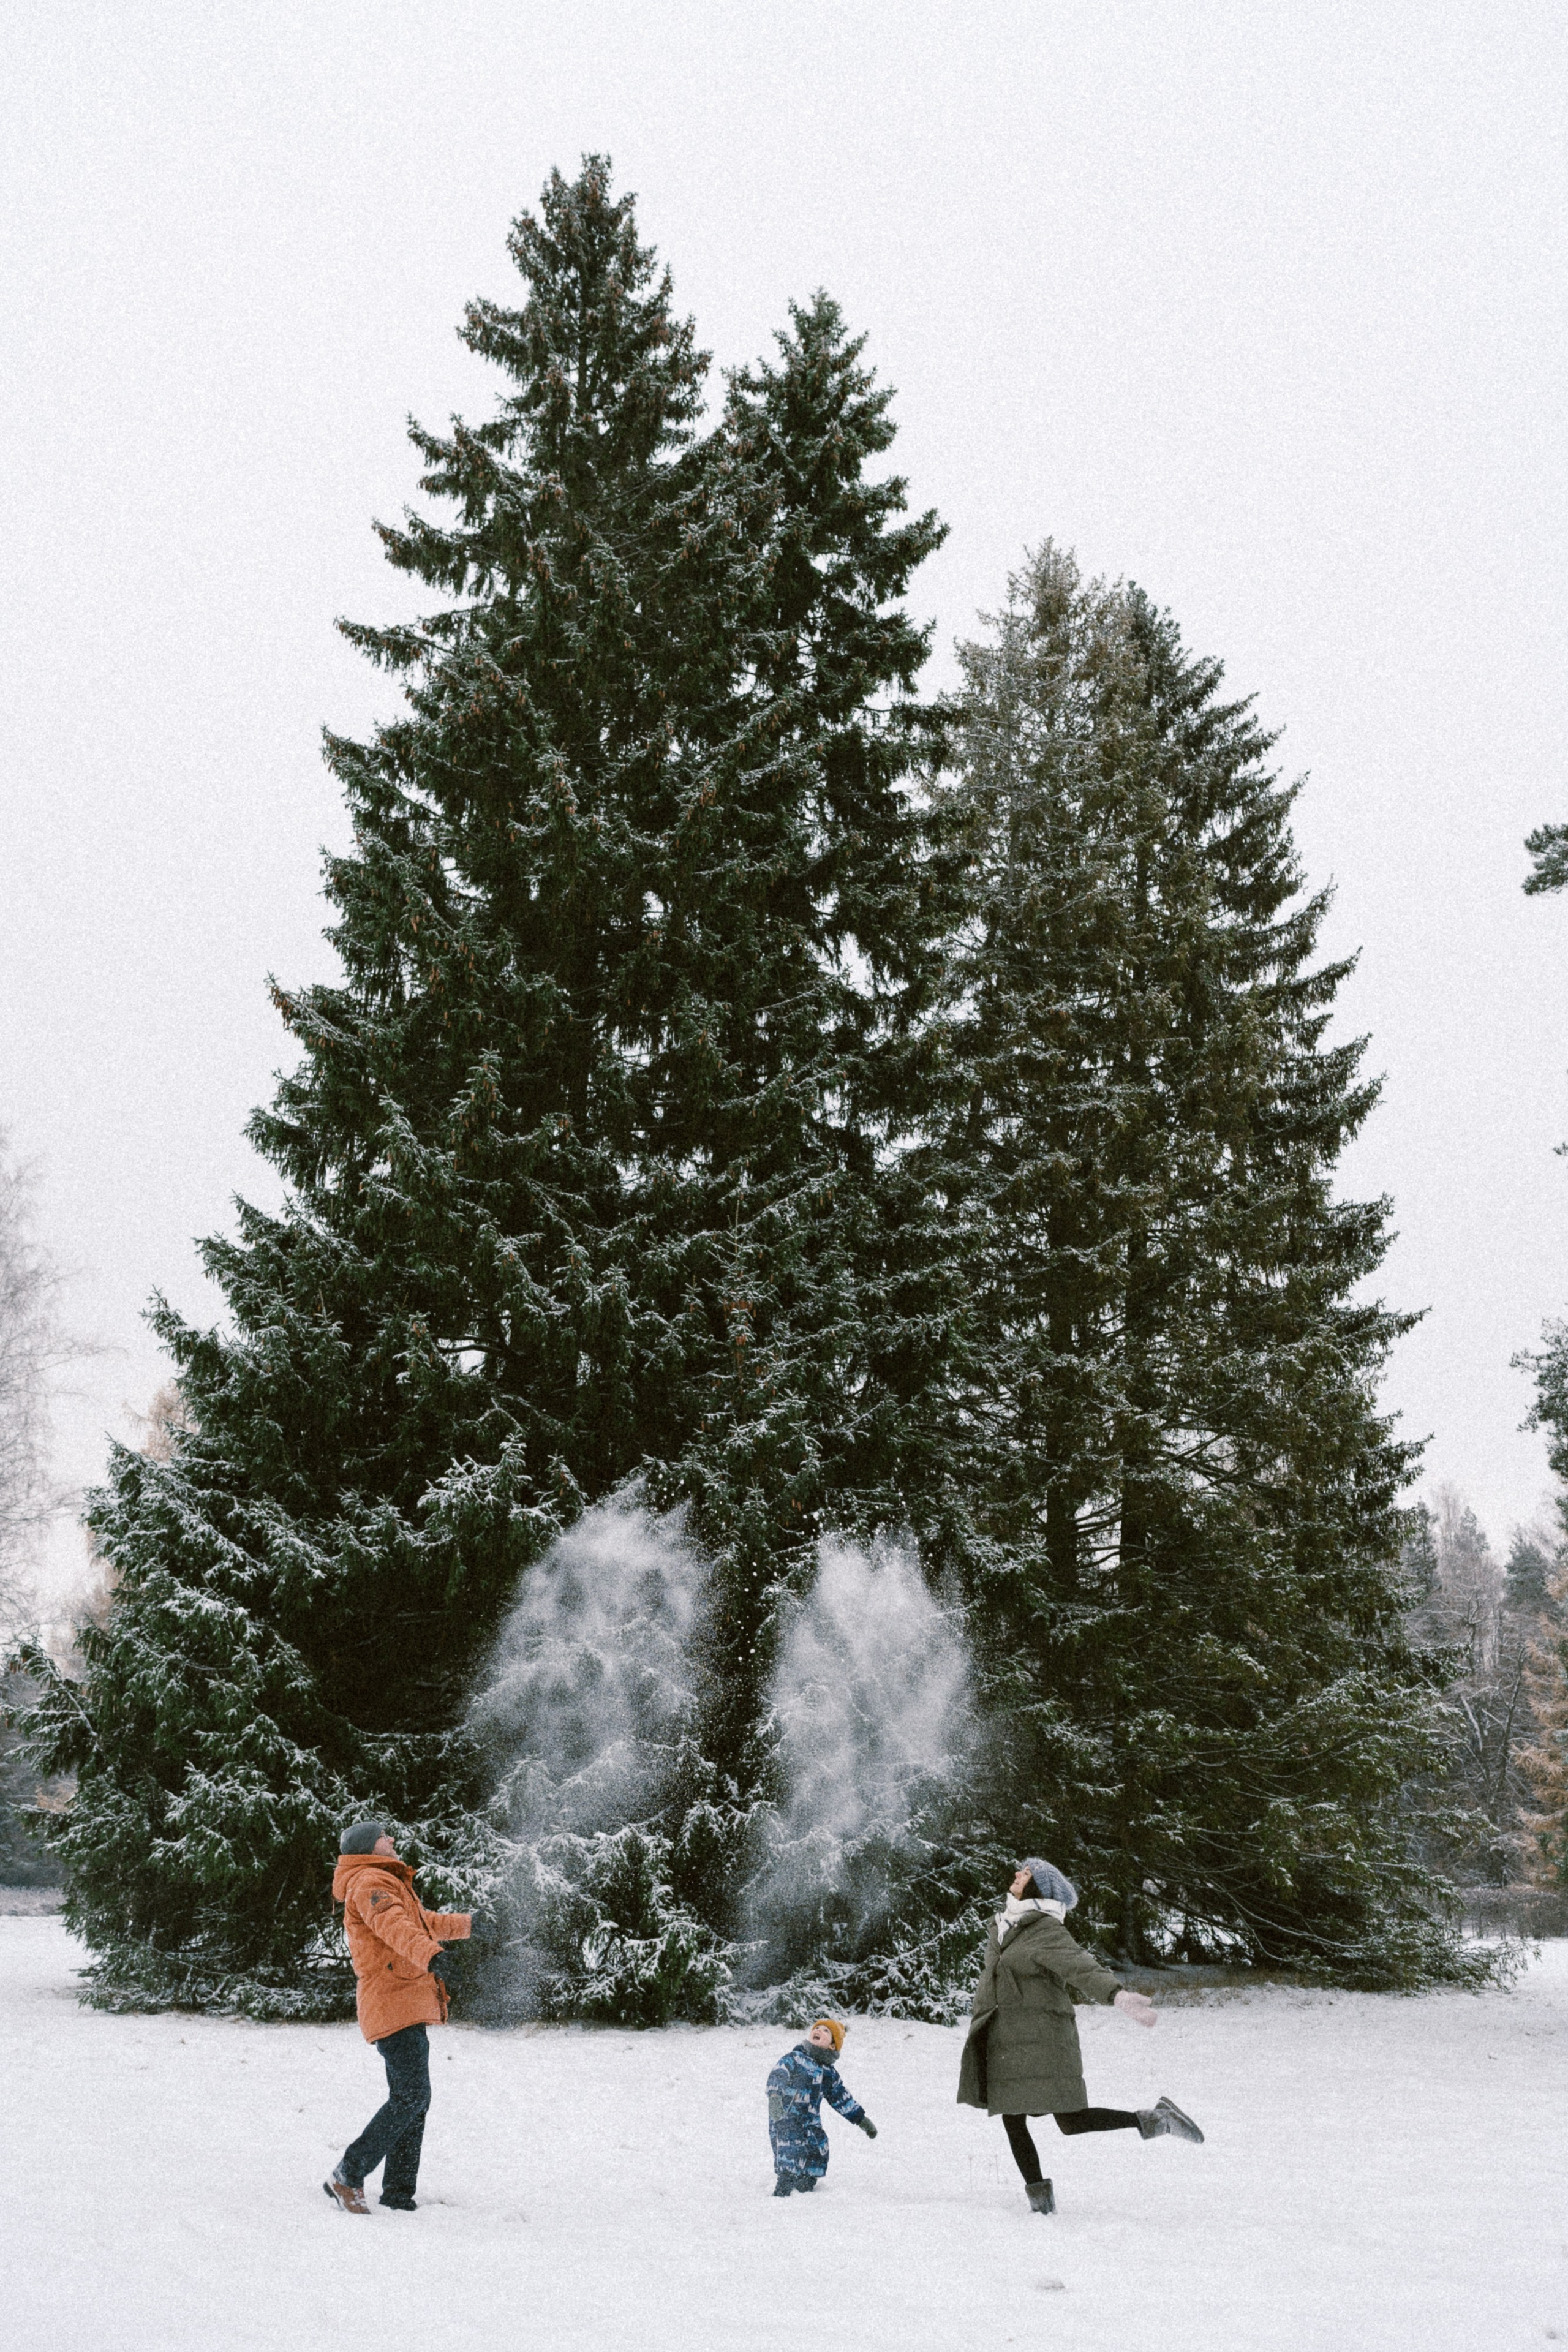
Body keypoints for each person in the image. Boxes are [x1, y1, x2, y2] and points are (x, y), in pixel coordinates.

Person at [957, 1858, 1204, 2215]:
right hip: (1008, 2042)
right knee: (1012, 2116)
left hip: (1044, 2040)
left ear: (1039, 1887)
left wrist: (1117, 1996)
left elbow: (1080, 1966)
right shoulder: (1005, 1925)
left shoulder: (1045, 1929)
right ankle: (1041, 2208)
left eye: (1025, 1874)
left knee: (1070, 2121)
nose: (1016, 1875)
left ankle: (1156, 2119)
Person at [323, 1820, 473, 2214]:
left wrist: (470, 1926)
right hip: (392, 2001)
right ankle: (348, 2175)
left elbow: (424, 1922)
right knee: (412, 2097)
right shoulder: (370, 1881)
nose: (392, 1839)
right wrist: (433, 1956)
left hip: (403, 2002)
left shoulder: (385, 1882)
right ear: (369, 1846)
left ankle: (398, 2194)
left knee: (413, 2100)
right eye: (384, 1835)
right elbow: (396, 1928)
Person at [767, 2018, 878, 2196]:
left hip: (810, 2121)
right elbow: (778, 2074)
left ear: (833, 2046)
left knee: (819, 2148)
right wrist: (774, 2097)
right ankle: (784, 2186)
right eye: (817, 2028)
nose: (818, 2031)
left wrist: (861, 2120)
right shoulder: (795, 2058)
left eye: (826, 2031)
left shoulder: (829, 2073)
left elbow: (841, 2098)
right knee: (790, 2149)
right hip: (785, 2115)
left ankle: (807, 2181)